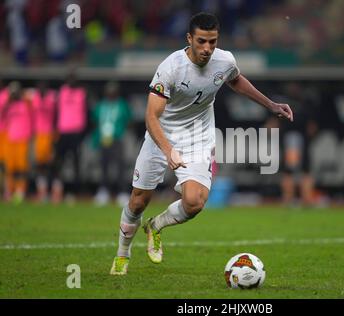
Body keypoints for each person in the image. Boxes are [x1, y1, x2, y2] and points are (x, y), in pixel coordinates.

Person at [110, 12, 293, 275]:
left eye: (213, 42)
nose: (207, 48)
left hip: (198, 137)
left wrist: (271, 104)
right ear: (189, 39)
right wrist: (168, 149)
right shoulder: (171, 67)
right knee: (138, 202)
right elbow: (151, 116)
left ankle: (156, 226)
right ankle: (122, 254)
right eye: (201, 41)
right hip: (161, 135)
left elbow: (235, 79)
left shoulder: (225, 60)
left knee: (195, 202)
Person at [91, 81, 132, 206]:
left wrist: (119, 131)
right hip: (103, 139)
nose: (111, 94)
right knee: (104, 166)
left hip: (117, 138)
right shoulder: (101, 105)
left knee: (120, 166)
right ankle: (104, 191)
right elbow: (95, 121)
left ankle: (122, 192)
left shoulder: (121, 105)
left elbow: (128, 120)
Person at [51, 72, 87, 203]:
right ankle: (57, 190)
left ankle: (73, 192)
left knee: (76, 164)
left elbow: (86, 113)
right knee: (58, 163)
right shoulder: (61, 92)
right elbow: (55, 112)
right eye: (69, 79)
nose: (71, 81)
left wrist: (83, 132)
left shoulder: (82, 93)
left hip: (76, 133)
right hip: (63, 132)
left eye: (74, 79)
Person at [1, 81, 33, 203]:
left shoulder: (26, 102)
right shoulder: (8, 104)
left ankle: (20, 191)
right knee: (10, 168)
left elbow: (32, 95)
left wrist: (21, 95)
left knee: (21, 167)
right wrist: (9, 101)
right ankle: (9, 191)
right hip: (10, 138)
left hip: (23, 139)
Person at [31, 81, 56, 202]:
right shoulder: (35, 99)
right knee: (40, 165)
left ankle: (53, 193)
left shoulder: (50, 99)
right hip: (39, 134)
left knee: (50, 164)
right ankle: (42, 191)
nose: (41, 90)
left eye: (43, 88)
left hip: (49, 134)